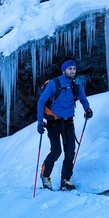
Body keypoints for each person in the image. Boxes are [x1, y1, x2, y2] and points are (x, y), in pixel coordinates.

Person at [37, 58, 93, 191]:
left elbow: (83, 100)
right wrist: (40, 121)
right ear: (64, 71)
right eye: (70, 69)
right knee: (56, 152)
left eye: (74, 68)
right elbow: (41, 101)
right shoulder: (54, 83)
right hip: (53, 122)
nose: (72, 71)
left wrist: (88, 110)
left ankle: (65, 180)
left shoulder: (76, 86)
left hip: (68, 122)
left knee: (70, 153)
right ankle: (45, 176)